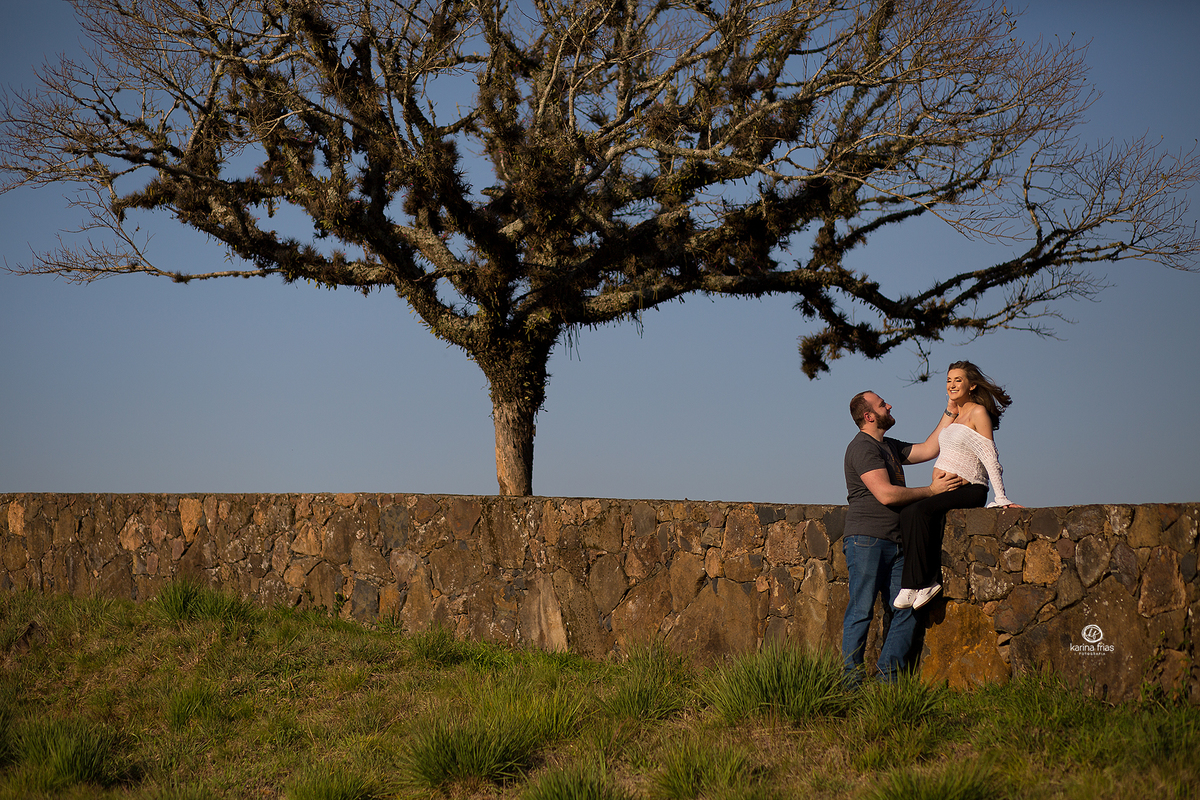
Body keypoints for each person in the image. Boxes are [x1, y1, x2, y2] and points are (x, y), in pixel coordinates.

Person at [841, 389, 964, 686]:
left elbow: (929, 448)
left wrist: (950, 408)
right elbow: (885, 494)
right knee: (861, 610)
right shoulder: (862, 448)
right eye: (883, 404)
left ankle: (887, 680)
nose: (889, 405)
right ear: (869, 416)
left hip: (897, 541)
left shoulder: (890, 447)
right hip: (867, 540)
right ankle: (851, 683)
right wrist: (932, 491)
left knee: (907, 606)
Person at [893, 361, 1020, 611]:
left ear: (972, 385)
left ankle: (925, 582)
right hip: (947, 488)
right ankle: (911, 584)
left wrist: (1001, 496)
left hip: (970, 488)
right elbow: (935, 447)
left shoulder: (977, 413)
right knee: (908, 512)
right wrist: (950, 408)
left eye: (958, 380)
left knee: (919, 512)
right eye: (949, 380)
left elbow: (989, 457)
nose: (951, 384)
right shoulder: (957, 415)